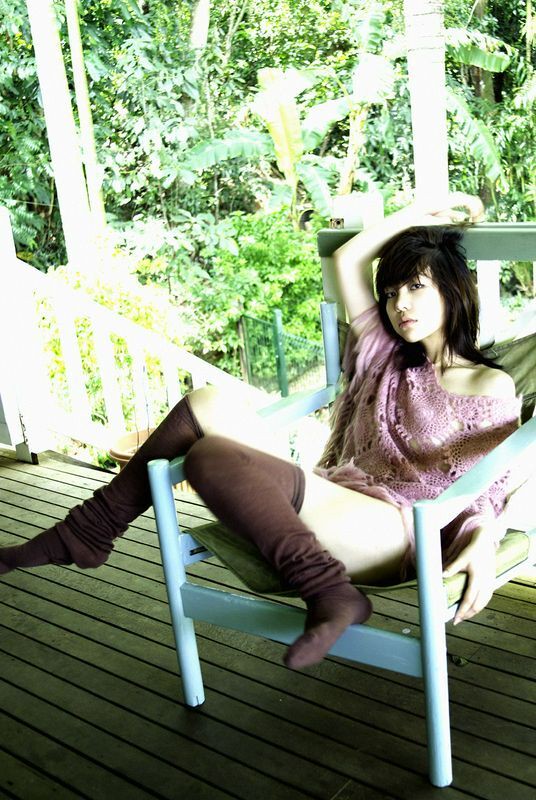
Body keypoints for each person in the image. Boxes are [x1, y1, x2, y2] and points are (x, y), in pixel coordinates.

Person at [0, 192, 521, 671]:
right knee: (207, 416)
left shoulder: (489, 384)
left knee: (209, 454)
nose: (400, 304)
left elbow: (493, 484)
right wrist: (420, 213)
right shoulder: (384, 355)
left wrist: (483, 539)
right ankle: (91, 530)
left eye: (416, 287)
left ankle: (325, 589)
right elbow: (346, 260)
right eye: (390, 293)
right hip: (339, 496)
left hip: (399, 531)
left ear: (454, 289)